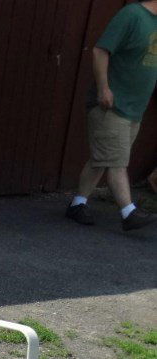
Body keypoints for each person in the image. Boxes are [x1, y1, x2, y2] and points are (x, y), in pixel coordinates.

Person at [67, 0, 157, 232]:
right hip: (111, 105)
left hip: (135, 107)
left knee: (103, 158)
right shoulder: (132, 15)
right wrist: (103, 88)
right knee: (116, 161)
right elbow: (100, 50)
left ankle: (78, 204)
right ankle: (129, 212)